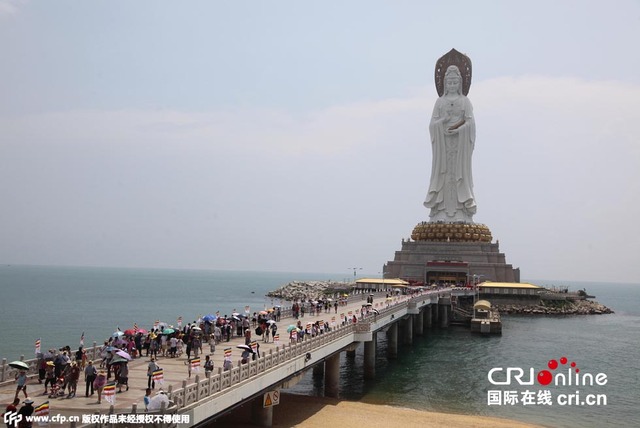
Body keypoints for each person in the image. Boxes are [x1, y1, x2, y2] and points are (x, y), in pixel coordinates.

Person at [424, 64, 477, 222]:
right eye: (449, 83)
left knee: (459, 174)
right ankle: (440, 209)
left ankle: (462, 209)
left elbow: (471, 124)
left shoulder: (464, 101)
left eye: (455, 83)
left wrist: (460, 130)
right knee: (443, 174)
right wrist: (443, 121)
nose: (452, 86)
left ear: (460, 84)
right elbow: (432, 125)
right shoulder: (440, 102)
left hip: (460, 146)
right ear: (444, 84)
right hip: (443, 147)